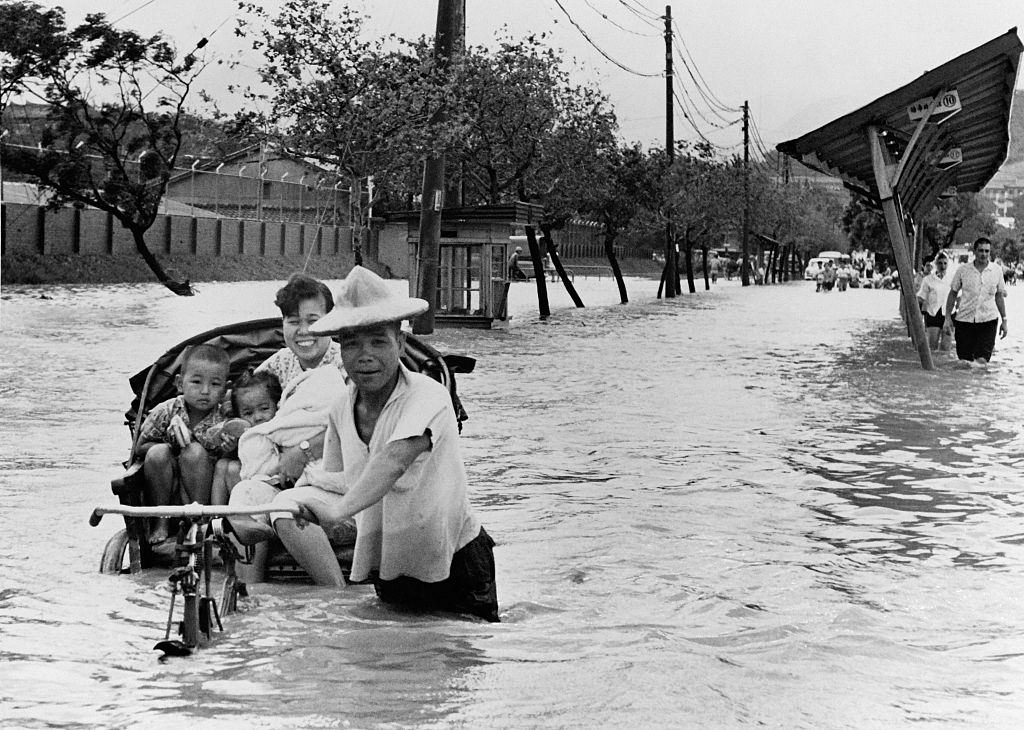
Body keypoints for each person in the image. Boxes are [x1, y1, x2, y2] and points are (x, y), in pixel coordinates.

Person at [271, 265, 500, 622]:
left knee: (454, 659)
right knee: (385, 664)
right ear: (341, 349)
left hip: (455, 561)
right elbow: (336, 477)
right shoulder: (340, 407)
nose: (365, 355)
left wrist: (337, 512)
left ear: (401, 343)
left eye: (379, 341)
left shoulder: (429, 396)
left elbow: (391, 462)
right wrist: (289, 502)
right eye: (352, 344)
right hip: (390, 565)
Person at [226, 273, 349, 579]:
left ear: (331, 322)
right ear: (282, 326)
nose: (304, 331)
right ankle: (252, 596)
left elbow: (359, 425)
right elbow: (241, 406)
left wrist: (302, 451)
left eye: (313, 320)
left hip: (334, 472)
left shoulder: (347, 363)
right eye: (294, 321)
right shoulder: (278, 365)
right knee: (245, 494)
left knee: (284, 503)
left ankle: (335, 598)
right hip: (281, 474)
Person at [134, 344, 230, 543]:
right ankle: (162, 520)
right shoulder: (167, 411)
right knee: (157, 452)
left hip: (206, 491)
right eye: (196, 382)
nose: (205, 391)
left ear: (224, 390)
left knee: (194, 452)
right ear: (180, 383)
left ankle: (199, 522)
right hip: (169, 489)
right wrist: (172, 444)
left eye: (215, 385)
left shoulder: (226, 416)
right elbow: (139, 448)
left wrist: (229, 446)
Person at [210, 370, 282, 506]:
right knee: (222, 465)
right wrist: (231, 446)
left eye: (264, 408)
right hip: (250, 476)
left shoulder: (278, 428)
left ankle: (243, 515)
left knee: (232, 469)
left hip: (272, 482)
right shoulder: (244, 430)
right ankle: (215, 516)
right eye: (248, 413)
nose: (257, 417)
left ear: (276, 405)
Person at [944, 237, 1008, 365]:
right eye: (981, 251)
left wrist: (1004, 320)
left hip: (988, 321)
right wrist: (947, 317)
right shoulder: (963, 270)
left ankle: (980, 385)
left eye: (986, 251)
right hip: (964, 320)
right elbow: (953, 293)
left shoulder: (996, 270)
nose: (984, 254)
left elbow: (999, 296)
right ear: (975, 252)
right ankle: (966, 385)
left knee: (981, 361)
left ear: (990, 252)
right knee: (964, 362)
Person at [916, 254, 952, 351]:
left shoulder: (952, 279)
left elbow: (958, 297)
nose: (943, 266)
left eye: (945, 263)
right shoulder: (928, 280)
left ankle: (943, 366)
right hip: (933, 313)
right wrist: (918, 316)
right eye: (940, 263)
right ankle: (933, 365)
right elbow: (920, 298)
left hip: (949, 314)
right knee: (932, 347)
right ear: (935, 264)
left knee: (946, 348)